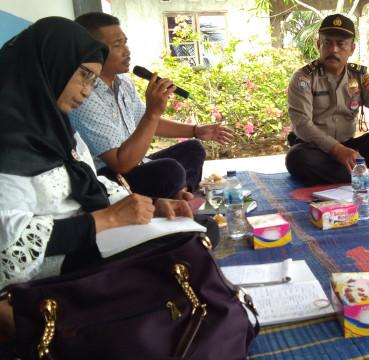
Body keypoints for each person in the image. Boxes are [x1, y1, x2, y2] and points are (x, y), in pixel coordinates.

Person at [0, 17, 217, 340]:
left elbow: (93, 182)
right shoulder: (8, 142)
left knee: (200, 228)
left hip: (97, 229)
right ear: (49, 67)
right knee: (185, 247)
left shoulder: (58, 129)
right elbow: (10, 246)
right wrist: (108, 218)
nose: (87, 91)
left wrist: (151, 205)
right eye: (83, 76)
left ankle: (143, 316)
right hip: (56, 261)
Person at [69, 12, 234, 200]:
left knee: (193, 148)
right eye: (117, 45)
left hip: (137, 163)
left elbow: (147, 121)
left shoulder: (122, 82)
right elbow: (120, 164)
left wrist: (196, 130)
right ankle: (177, 193)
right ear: (91, 50)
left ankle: (181, 193)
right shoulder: (84, 95)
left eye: (125, 42)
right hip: (110, 177)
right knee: (170, 171)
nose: (127, 51)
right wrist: (153, 111)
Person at [285, 14, 369, 184]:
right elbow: (302, 124)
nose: (333, 49)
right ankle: (368, 175)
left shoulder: (359, 76)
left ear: (352, 49)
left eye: (340, 44)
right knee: (296, 158)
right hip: (316, 149)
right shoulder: (304, 78)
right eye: (327, 42)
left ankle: (350, 173)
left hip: (351, 147)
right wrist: (338, 150)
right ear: (318, 44)